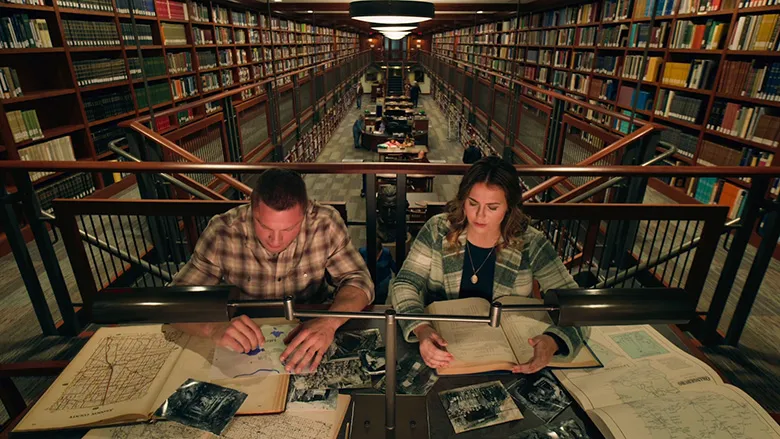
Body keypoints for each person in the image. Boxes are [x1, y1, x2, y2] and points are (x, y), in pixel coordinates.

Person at [390, 157, 586, 373]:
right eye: (473, 203)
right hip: (445, 352)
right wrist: (421, 328)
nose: (479, 215)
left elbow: (576, 303)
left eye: (492, 207)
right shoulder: (438, 230)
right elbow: (405, 283)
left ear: (509, 207)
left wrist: (553, 341)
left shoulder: (530, 242)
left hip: (512, 362)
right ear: (463, 200)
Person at [171, 168, 374, 373]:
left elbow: (359, 280)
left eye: (288, 229)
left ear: (305, 212)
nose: (275, 241)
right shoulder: (223, 230)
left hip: (314, 326)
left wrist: (329, 323)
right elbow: (174, 300)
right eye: (264, 226)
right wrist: (212, 328)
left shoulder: (325, 222)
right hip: (244, 335)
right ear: (251, 209)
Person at [359, 237, 398, 304]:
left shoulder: (386, 253)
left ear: (380, 250)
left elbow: (392, 265)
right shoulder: (362, 252)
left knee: (381, 300)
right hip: (368, 281)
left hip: (382, 282)